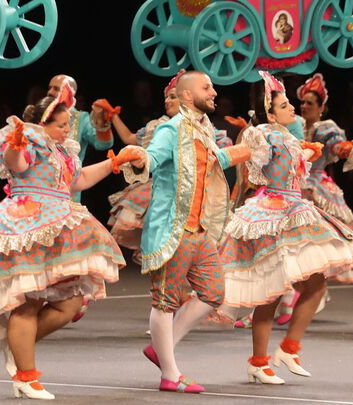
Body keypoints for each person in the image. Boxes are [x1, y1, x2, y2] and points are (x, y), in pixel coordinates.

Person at [0, 83, 129, 400]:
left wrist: (116, 162)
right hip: (29, 222)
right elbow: (17, 164)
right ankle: (25, 376)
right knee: (29, 300)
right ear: (43, 124)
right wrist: (15, 145)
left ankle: (15, 345)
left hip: (58, 222)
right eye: (60, 125)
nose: (65, 130)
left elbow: (80, 181)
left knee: (70, 302)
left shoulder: (62, 151)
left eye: (66, 125)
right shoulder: (32, 140)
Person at [218, 72, 353, 385]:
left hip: (296, 209)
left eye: (290, 104)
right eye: (285, 105)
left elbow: (292, 166)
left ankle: (289, 349)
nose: (293, 109)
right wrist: (221, 155)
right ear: (270, 112)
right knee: (270, 294)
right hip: (274, 212)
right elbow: (250, 160)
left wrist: (308, 152)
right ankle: (259, 361)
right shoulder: (264, 135)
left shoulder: (287, 136)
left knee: (316, 286)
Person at [120, 70, 250, 393]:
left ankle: (162, 347)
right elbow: (150, 158)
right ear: (188, 95)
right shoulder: (171, 129)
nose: (214, 92)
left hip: (200, 231)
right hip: (173, 230)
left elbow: (216, 158)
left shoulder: (204, 131)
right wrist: (138, 159)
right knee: (165, 301)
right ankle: (170, 373)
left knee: (213, 293)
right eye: (206, 87)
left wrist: (249, 148)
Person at [107, 70, 234, 257]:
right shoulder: (165, 128)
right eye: (167, 98)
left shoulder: (204, 127)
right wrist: (140, 158)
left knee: (211, 280)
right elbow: (147, 152)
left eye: (172, 97)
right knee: (171, 276)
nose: (168, 101)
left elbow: (218, 157)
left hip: (200, 209)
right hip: (173, 208)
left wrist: (244, 145)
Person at [46, 75, 113, 203]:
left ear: (71, 92)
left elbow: (102, 144)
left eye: (56, 89)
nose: (50, 92)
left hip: (68, 196)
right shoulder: (42, 116)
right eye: (49, 88)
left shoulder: (80, 118)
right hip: (39, 191)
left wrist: (102, 123)